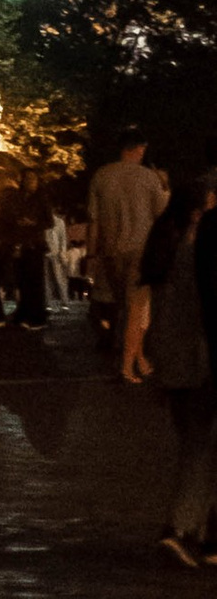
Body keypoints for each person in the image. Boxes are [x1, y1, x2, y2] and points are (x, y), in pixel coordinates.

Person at [123, 159, 217, 568]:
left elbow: (141, 302)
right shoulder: (202, 248)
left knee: (196, 444)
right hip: (202, 356)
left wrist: (135, 350)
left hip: (173, 358)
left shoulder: (164, 240)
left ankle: (203, 534)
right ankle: (181, 530)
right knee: (201, 448)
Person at [94, 131, 171, 349]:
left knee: (119, 301)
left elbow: (94, 219)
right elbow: (163, 213)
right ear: (138, 149)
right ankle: (132, 353)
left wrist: (91, 254)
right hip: (140, 248)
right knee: (136, 304)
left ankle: (119, 344)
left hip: (111, 249)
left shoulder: (102, 175)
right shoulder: (148, 177)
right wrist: (164, 187)